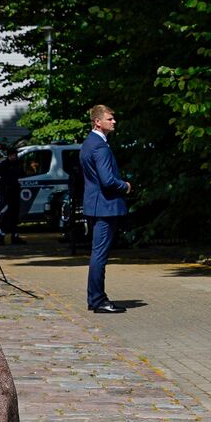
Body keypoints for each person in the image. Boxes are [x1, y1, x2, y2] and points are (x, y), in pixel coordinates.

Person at [80, 104, 132, 313]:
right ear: (97, 122)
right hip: (105, 206)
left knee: (97, 253)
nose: (114, 122)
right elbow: (107, 180)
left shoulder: (88, 143)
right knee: (99, 255)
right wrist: (125, 186)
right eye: (110, 119)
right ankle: (98, 300)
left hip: (96, 205)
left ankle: (96, 298)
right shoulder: (100, 146)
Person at [0, 145, 25, 246]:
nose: (14, 157)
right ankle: (0, 238)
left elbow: (22, 174)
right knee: (3, 216)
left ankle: (14, 237)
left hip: (15, 192)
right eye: (12, 155)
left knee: (14, 216)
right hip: (6, 193)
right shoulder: (3, 163)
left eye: (15, 155)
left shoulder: (17, 164)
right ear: (9, 155)